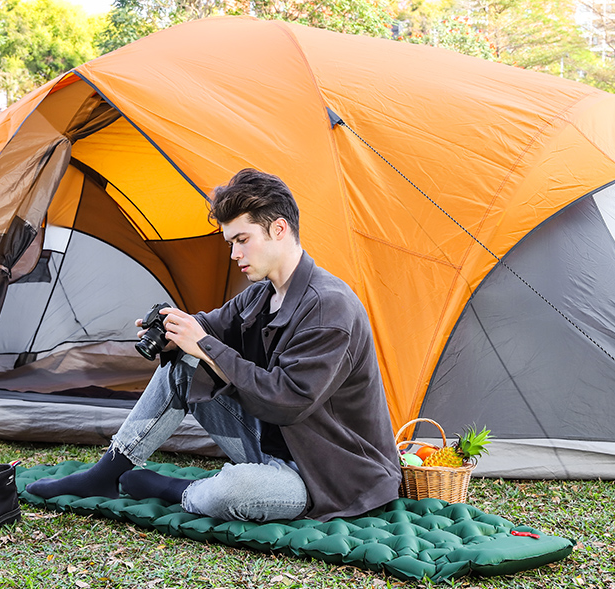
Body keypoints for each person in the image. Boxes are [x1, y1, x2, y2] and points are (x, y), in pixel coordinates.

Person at [27, 168, 401, 522]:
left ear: (279, 229)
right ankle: (106, 473)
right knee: (185, 363)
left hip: (332, 474)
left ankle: (178, 489)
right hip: (275, 444)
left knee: (239, 491)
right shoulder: (261, 295)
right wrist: (174, 330)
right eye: (230, 243)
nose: (235, 254)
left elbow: (289, 402)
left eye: (242, 240)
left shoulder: (330, 306)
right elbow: (210, 325)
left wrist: (202, 343)